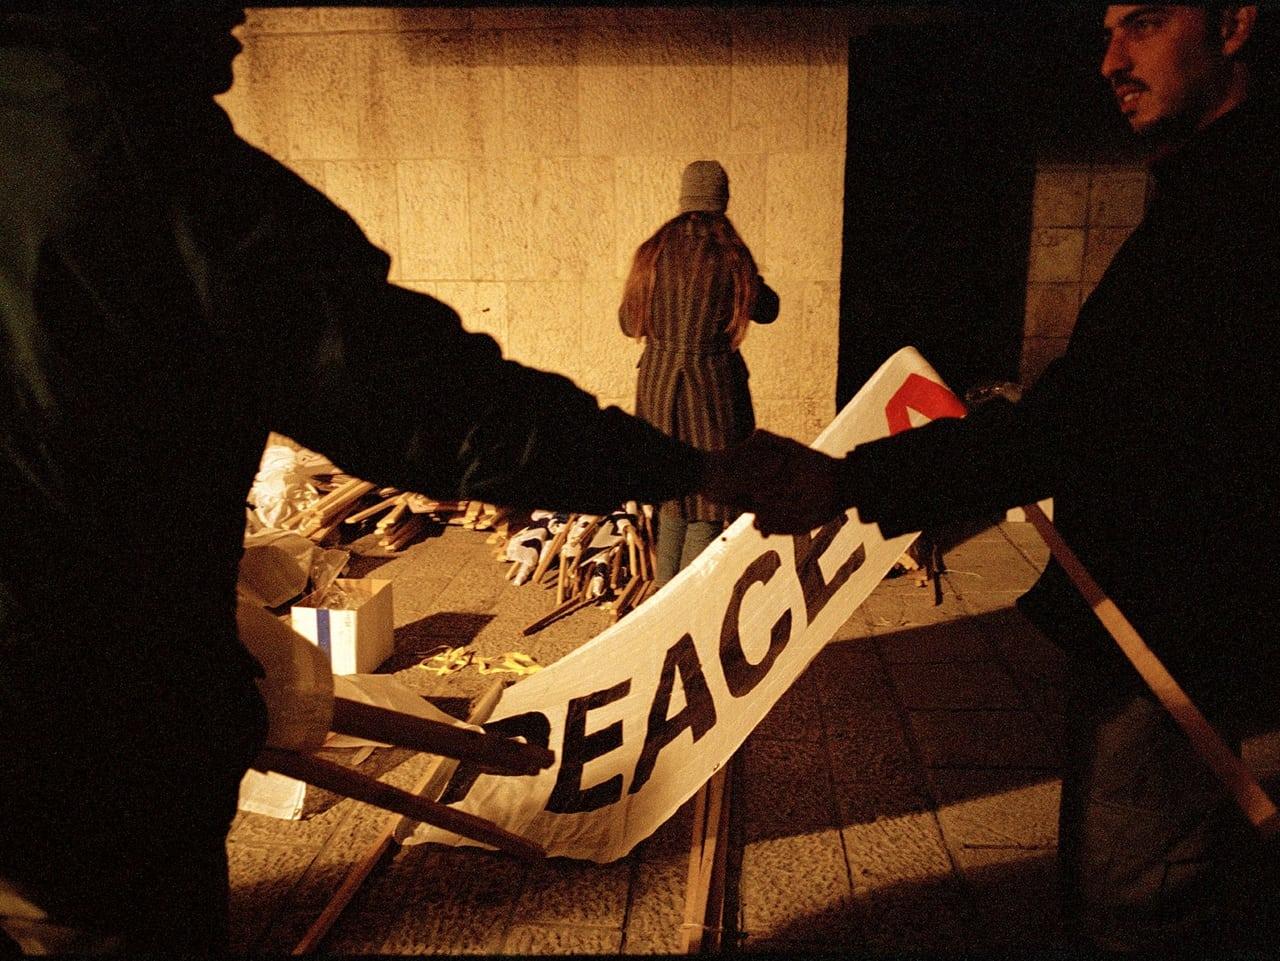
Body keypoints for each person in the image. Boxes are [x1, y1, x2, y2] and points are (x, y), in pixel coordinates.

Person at [0, 6, 829, 953]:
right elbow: (424, 398)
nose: (239, 16)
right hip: (84, 731)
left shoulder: (652, 253)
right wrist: (698, 465)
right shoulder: (156, 171)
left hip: (57, 703)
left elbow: (623, 321)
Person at [742, 5, 1279, 953]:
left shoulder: (1237, 208)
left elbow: (1087, 421)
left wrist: (852, 482)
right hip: (1164, 620)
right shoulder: (1206, 189)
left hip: (1174, 628)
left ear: (1235, 23)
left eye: (1145, 23)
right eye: (1106, 31)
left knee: (1135, 900)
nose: (1110, 60)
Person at [619, 160, 780, 588]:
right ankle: (680, 606)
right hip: (712, 387)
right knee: (712, 495)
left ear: (683, 195)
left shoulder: (653, 250)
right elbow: (769, 309)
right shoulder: (730, 254)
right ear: (721, 199)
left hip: (656, 382)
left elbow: (628, 323)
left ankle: (659, 599)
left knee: (672, 495)